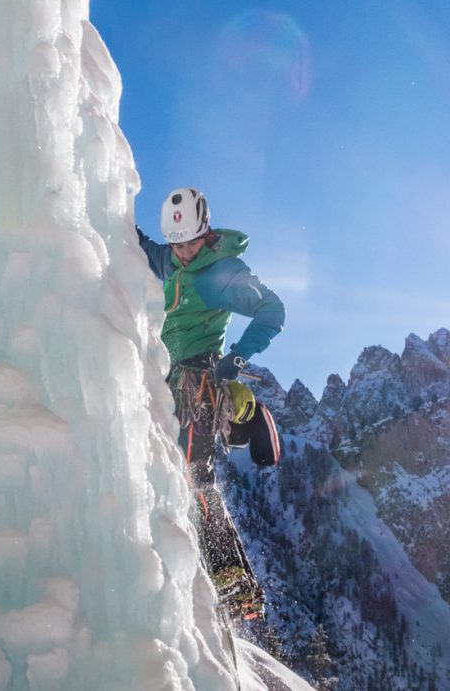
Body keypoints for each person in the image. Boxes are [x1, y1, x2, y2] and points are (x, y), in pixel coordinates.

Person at [136, 186, 284, 621]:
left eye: (190, 243)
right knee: (171, 466)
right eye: (176, 243)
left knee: (195, 472)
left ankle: (233, 578)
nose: (182, 252)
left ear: (206, 234)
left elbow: (272, 311)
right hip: (168, 377)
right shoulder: (169, 259)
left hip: (202, 380)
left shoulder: (222, 273)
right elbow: (142, 247)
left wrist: (237, 357)